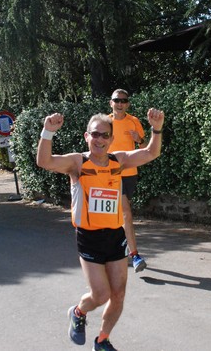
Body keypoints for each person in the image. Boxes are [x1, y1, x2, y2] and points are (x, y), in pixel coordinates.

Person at [36, 108, 164, 351]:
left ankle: (102, 340)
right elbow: (45, 161)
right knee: (101, 295)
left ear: (111, 139)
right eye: (95, 135)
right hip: (89, 237)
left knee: (118, 295)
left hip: (115, 236)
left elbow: (151, 152)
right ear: (87, 136)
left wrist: (156, 129)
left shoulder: (119, 161)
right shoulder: (78, 162)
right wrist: (48, 131)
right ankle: (77, 311)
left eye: (105, 136)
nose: (100, 140)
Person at [108, 89, 148, 272]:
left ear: (128, 103)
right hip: (110, 174)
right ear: (111, 103)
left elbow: (144, 148)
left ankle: (120, 250)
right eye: (117, 100)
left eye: (123, 100)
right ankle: (135, 255)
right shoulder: (105, 122)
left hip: (130, 173)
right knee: (125, 212)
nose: (120, 103)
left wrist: (138, 139)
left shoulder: (134, 121)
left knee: (121, 213)